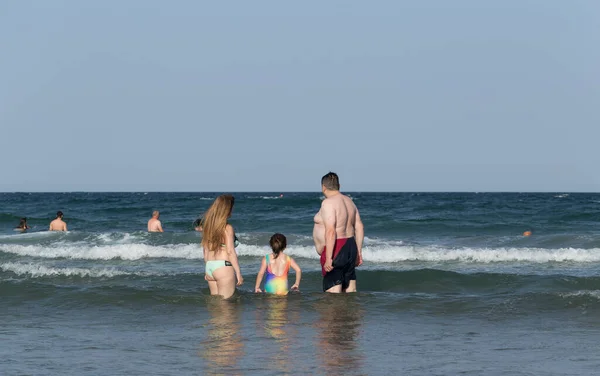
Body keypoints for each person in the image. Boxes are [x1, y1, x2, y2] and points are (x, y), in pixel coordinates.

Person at [313, 172, 364, 293]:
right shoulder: (350, 202)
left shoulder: (328, 203)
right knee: (350, 290)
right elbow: (359, 227)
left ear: (323, 187)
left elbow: (331, 231)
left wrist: (329, 258)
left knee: (333, 295)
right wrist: (359, 253)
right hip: (351, 246)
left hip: (337, 247)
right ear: (339, 186)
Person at [202, 194, 243, 299]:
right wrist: (238, 272)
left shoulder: (207, 227)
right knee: (226, 308)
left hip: (210, 266)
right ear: (227, 209)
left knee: (216, 307)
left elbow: (205, 250)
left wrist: (207, 269)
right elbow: (230, 251)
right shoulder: (227, 228)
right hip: (223, 267)